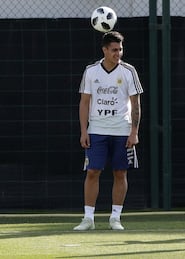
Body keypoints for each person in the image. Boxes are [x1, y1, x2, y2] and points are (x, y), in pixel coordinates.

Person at [73, 31, 143, 231]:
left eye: (120, 49)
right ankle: (88, 218)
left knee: (120, 172)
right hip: (97, 130)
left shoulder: (129, 71)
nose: (118, 53)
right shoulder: (91, 71)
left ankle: (115, 217)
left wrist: (134, 132)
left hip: (122, 130)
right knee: (93, 171)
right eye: (114, 50)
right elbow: (84, 102)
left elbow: (136, 104)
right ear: (104, 50)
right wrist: (84, 131)